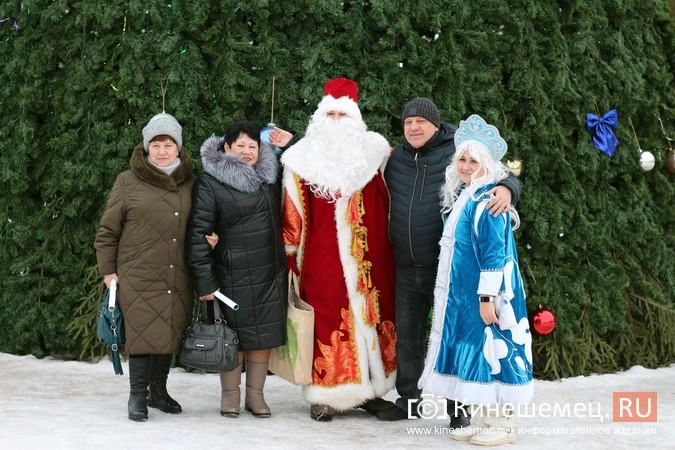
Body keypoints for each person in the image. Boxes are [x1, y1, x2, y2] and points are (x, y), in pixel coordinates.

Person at [375, 98, 522, 426]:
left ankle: (459, 408)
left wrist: (508, 188)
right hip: (405, 265)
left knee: (453, 336)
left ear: (436, 125)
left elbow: (496, 170)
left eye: (420, 122)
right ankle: (409, 399)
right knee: (409, 336)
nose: (413, 127)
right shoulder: (396, 158)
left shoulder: (456, 151)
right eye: (407, 122)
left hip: (448, 269)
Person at [278, 78, 397, 422]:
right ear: (318, 116)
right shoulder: (301, 160)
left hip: (372, 260)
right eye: (328, 113)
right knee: (327, 319)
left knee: (374, 318)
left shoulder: (376, 154)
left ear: (355, 118)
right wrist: (290, 255)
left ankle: (373, 392)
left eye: (341, 114)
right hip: (322, 259)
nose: (334, 120)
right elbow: (292, 210)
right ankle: (326, 395)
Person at [418, 114, 533, 446]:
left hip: (492, 297)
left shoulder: (489, 201)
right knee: (481, 352)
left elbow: (494, 253)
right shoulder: (467, 197)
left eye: (473, 160)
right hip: (466, 294)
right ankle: (485, 418)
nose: (467, 166)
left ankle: (502, 424)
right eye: (463, 159)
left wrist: (487, 298)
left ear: (487, 164)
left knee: (498, 351)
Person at [95, 112, 216, 422]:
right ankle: (137, 395)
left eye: (169, 144)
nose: (163, 151)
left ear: (179, 148)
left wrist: (211, 240)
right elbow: (108, 232)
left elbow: (202, 225)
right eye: (156, 144)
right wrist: (108, 271)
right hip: (137, 274)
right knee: (141, 335)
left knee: (168, 333)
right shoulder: (127, 181)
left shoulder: (193, 183)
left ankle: (158, 392)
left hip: (177, 273)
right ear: (147, 148)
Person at [185, 120, 287, 419]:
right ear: (226, 147)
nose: (246, 151)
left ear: (261, 149)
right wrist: (204, 282)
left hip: (269, 271)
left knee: (262, 337)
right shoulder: (210, 183)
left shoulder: (272, 177)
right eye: (239, 145)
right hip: (231, 273)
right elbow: (198, 235)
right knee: (233, 336)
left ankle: (256, 395)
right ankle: (230, 394)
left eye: (252, 146)